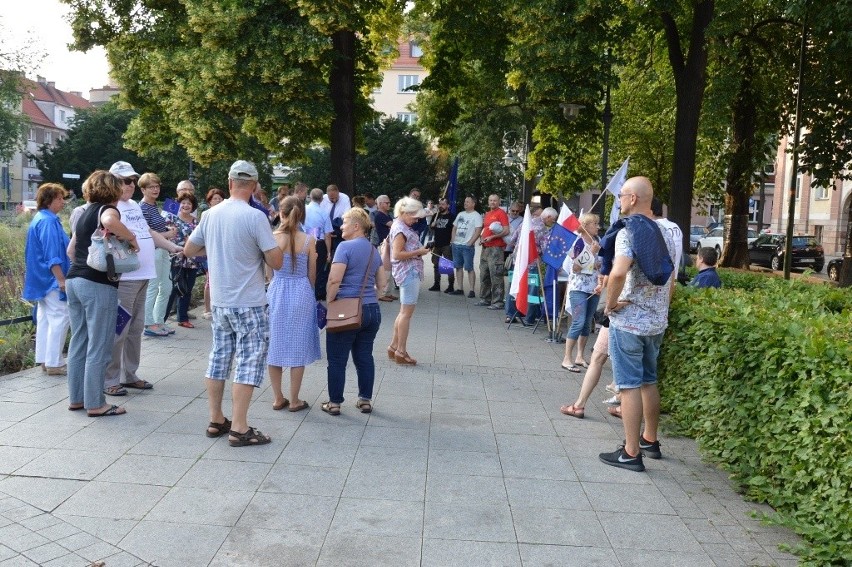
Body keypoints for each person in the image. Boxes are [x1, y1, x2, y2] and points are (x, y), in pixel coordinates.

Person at [184, 160, 283, 447]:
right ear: (253, 186)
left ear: (229, 183)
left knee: (219, 358)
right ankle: (239, 427)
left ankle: (216, 419)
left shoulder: (210, 215)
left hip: (221, 301)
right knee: (248, 362)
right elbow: (275, 261)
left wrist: (216, 251)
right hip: (249, 301)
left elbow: (190, 249)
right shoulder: (255, 217)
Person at [599, 176, 676, 472]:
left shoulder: (628, 231)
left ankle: (631, 453)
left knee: (629, 386)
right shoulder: (666, 232)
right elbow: (670, 277)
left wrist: (609, 304)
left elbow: (618, 273)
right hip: (656, 322)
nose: (619, 200)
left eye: (621, 196)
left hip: (630, 322)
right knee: (648, 380)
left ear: (632, 199)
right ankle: (650, 440)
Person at [104, 162, 183, 397]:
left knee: (136, 328)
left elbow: (149, 232)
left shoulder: (133, 207)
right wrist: (132, 239)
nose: (130, 185)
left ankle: (129, 374)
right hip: (125, 277)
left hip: (143, 274)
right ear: (112, 182)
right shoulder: (111, 206)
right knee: (119, 329)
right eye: (124, 180)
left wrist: (172, 247)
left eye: (132, 180)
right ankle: (110, 378)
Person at [65, 171, 138, 416]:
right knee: (100, 344)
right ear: (114, 189)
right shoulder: (108, 210)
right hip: (97, 284)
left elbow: (71, 250)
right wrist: (131, 237)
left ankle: (77, 398)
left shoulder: (85, 212)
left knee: (79, 342)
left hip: (74, 279)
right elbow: (109, 222)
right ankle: (96, 403)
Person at [323, 208, 386, 416]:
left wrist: (330, 301)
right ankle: (365, 400)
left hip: (346, 310)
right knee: (364, 356)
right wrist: (368, 300)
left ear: (356, 226)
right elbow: (382, 284)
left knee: (337, 359)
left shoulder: (344, 247)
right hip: (371, 311)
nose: (341, 226)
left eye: (345, 222)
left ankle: (334, 403)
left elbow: (334, 279)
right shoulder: (372, 250)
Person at [267, 196, 319, 413]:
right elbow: (312, 274)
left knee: (275, 345)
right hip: (301, 291)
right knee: (298, 346)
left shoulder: (272, 238)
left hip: (278, 290)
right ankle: (295, 399)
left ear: (281, 212)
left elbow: (268, 272)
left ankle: (278, 397)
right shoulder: (309, 240)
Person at [23, 182, 71, 375]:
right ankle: (54, 362)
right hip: (51, 279)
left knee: (45, 318)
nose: (63, 202)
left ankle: (44, 359)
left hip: (40, 279)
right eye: (60, 198)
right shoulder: (49, 221)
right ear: (50, 200)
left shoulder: (40, 218)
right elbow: (52, 254)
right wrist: (61, 279)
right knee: (60, 316)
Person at [387, 197, 430, 365]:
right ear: (404, 213)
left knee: (403, 313)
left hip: (406, 272)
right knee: (406, 314)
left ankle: (394, 347)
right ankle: (401, 351)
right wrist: (418, 251)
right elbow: (397, 254)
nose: (416, 219)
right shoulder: (401, 228)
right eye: (414, 216)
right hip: (408, 271)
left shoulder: (400, 225)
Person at [561, 213, 602, 372]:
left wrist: (599, 265)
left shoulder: (596, 242)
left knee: (587, 323)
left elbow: (597, 265)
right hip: (578, 288)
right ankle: (566, 358)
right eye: (595, 224)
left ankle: (579, 356)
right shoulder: (577, 243)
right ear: (585, 226)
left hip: (593, 287)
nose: (598, 227)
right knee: (578, 321)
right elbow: (575, 268)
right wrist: (591, 253)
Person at [139, 173, 178, 337]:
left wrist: (168, 232)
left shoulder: (154, 206)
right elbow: (146, 233)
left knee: (166, 287)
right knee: (153, 287)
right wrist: (167, 235)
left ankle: (159, 321)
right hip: (152, 251)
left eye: (157, 186)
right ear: (143, 189)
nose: (155, 189)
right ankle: (148, 323)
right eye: (151, 187)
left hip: (162, 250)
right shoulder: (142, 208)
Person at [560, 294, 610, 419]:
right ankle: (649, 436)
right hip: (653, 323)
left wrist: (611, 305)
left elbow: (617, 277)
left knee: (597, 360)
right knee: (645, 378)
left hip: (622, 319)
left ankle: (579, 405)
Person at [164, 192, 203, 328]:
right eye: (183, 203)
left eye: (189, 203)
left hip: (192, 260)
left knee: (187, 288)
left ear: (193, 206)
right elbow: (166, 237)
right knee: (174, 288)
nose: (186, 205)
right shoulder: (171, 218)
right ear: (178, 204)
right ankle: (162, 318)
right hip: (176, 257)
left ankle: (183, 318)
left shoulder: (196, 221)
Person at [476, 194, 509, 309]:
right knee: (484, 274)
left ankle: (498, 302)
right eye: (490, 200)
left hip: (496, 249)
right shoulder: (488, 214)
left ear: (499, 202)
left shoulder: (501, 213)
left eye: (495, 200)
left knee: (496, 275)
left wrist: (492, 237)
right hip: (485, 247)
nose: (492, 202)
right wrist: (482, 238)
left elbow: (506, 230)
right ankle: (485, 298)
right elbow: (486, 228)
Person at [450, 196, 483, 298]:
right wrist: (453, 240)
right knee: (458, 267)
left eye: (468, 202)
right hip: (457, 245)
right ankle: (460, 288)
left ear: (473, 204)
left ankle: (472, 290)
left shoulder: (476, 216)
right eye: (465, 201)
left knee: (469, 268)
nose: (465, 203)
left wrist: (471, 242)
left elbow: (478, 230)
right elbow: (454, 227)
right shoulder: (460, 214)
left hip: (467, 246)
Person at [201, 187, 226, 319]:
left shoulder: (227, 214)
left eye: (219, 198)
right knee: (210, 280)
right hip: (209, 250)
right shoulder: (206, 214)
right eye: (214, 198)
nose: (217, 201)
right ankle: (207, 308)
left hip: (223, 250)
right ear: (209, 201)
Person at [305, 187, 334, 300]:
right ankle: (318, 292)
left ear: (310, 197)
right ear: (322, 199)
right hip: (319, 242)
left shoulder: (304, 210)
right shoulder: (324, 213)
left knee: (306, 266)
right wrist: (328, 252)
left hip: (305, 240)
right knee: (319, 269)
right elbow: (327, 234)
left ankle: (307, 291)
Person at [369, 194, 397, 302]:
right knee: (385, 271)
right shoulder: (380, 215)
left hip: (390, 244)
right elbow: (393, 225)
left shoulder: (387, 214)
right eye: (387, 202)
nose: (389, 204)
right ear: (380, 204)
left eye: (389, 202)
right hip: (384, 245)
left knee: (390, 270)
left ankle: (388, 292)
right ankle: (381, 294)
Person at [428, 197, 456, 293]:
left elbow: (454, 230)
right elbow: (431, 229)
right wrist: (432, 226)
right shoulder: (436, 215)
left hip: (447, 244)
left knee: (447, 266)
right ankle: (436, 284)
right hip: (437, 244)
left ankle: (451, 286)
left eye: (443, 204)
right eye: (440, 204)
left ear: (448, 205)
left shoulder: (451, 217)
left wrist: (452, 242)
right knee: (436, 265)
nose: (441, 206)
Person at [320, 184, 351, 257]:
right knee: (324, 255)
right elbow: (320, 216)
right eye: (331, 198)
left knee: (339, 254)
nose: (333, 200)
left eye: (335, 198)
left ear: (338, 193)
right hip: (325, 231)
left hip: (338, 229)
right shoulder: (323, 199)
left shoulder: (344, 198)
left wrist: (336, 230)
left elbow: (347, 215)